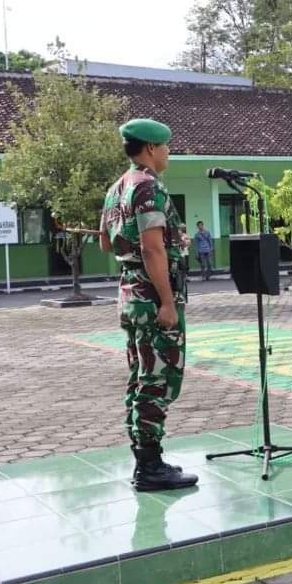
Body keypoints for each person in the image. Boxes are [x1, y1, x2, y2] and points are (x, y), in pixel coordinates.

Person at [99, 118, 197, 492]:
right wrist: (168, 302)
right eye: (167, 147)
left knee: (141, 377)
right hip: (153, 299)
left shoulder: (117, 188)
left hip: (129, 295)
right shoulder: (147, 186)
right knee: (158, 379)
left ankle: (146, 458)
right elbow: (152, 247)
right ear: (152, 148)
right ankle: (150, 468)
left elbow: (108, 244)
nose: (169, 153)